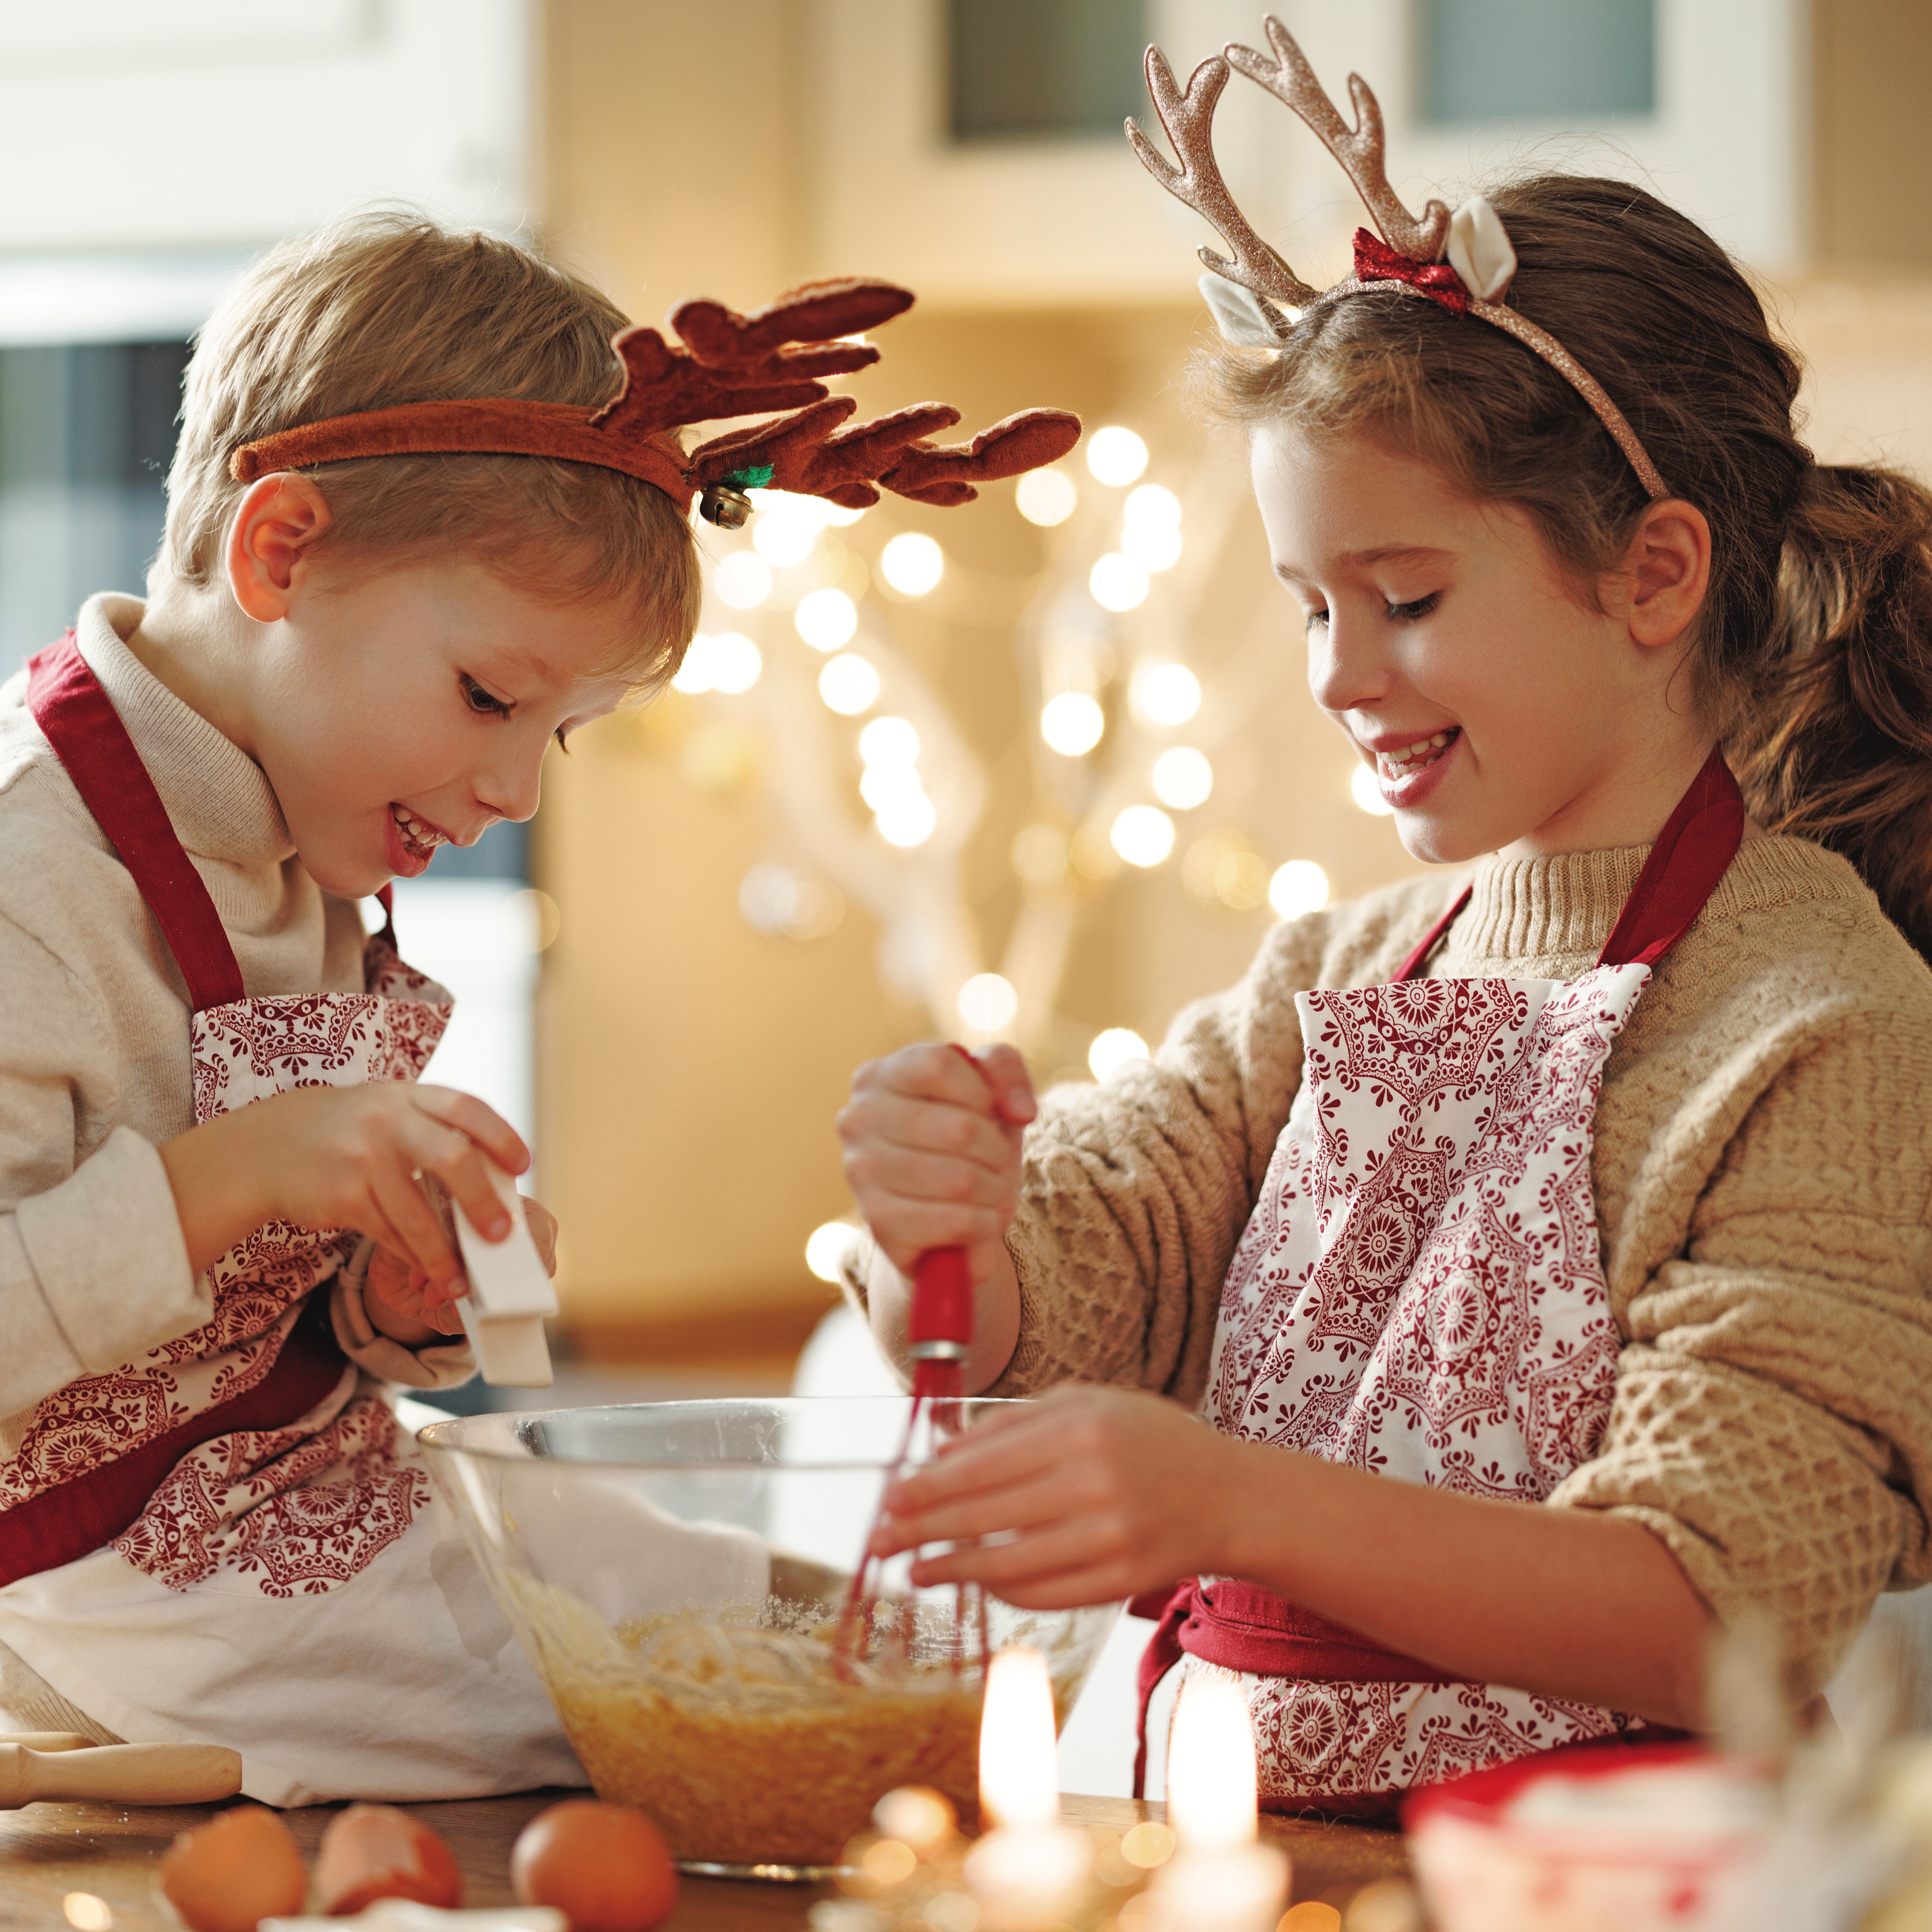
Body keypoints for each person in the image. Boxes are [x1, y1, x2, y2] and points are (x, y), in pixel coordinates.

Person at [837, 22, 1932, 1816]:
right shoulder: (1335, 972)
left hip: (1610, 1871)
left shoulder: (1814, 1023)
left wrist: (1224, 1496)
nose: (1340, 674)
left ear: (1656, 572)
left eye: (1404, 597)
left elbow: (1719, 1597)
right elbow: (1083, 1289)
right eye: (1306, 606)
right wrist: (940, 1216)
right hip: (1250, 1851)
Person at [0, 212, 1079, 1805]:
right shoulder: (36, 879)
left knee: (760, 1617)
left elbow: (275, 1324)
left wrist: (393, 1301)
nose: (509, 786)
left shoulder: (309, 833)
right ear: (277, 550)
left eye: (558, 732)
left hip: (311, 1489)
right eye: (491, 697)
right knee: (663, 1717)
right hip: (100, 1584)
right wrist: (252, 1167)